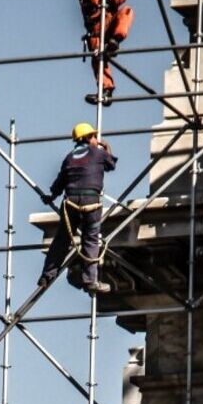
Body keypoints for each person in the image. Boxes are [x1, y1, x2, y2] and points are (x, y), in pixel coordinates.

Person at [38, 122, 117, 293]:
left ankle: (46, 276)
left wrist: (51, 196)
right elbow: (111, 165)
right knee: (91, 239)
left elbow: (60, 181)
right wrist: (106, 146)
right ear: (88, 138)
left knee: (61, 240)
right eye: (94, 136)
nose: (97, 139)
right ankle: (90, 281)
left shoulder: (69, 157)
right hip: (91, 202)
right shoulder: (99, 153)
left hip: (70, 202)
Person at [76, 0, 134, 105]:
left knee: (127, 11)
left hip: (109, 30)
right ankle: (106, 90)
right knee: (99, 60)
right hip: (96, 33)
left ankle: (114, 42)